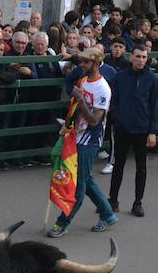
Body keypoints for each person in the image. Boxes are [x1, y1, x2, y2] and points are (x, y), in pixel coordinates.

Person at [48, 46, 116, 237]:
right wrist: (67, 125)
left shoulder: (103, 89)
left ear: (95, 63)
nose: (82, 65)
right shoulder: (84, 81)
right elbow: (76, 108)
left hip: (90, 140)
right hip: (76, 135)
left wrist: (81, 99)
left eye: (86, 62)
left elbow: (94, 121)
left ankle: (62, 222)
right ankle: (108, 213)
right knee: (86, 179)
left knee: (79, 183)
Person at [106, 45, 158, 217]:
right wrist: (117, 116)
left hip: (142, 129)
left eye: (144, 57)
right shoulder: (120, 77)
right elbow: (112, 99)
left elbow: (155, 106)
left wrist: (152, 131)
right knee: (118, 166)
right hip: (122, 127)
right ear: (131, 57)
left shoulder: (152, 79)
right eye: (138, 57)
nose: (141, 60)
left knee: (141, 167)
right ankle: (112, 200)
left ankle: (138, 202)